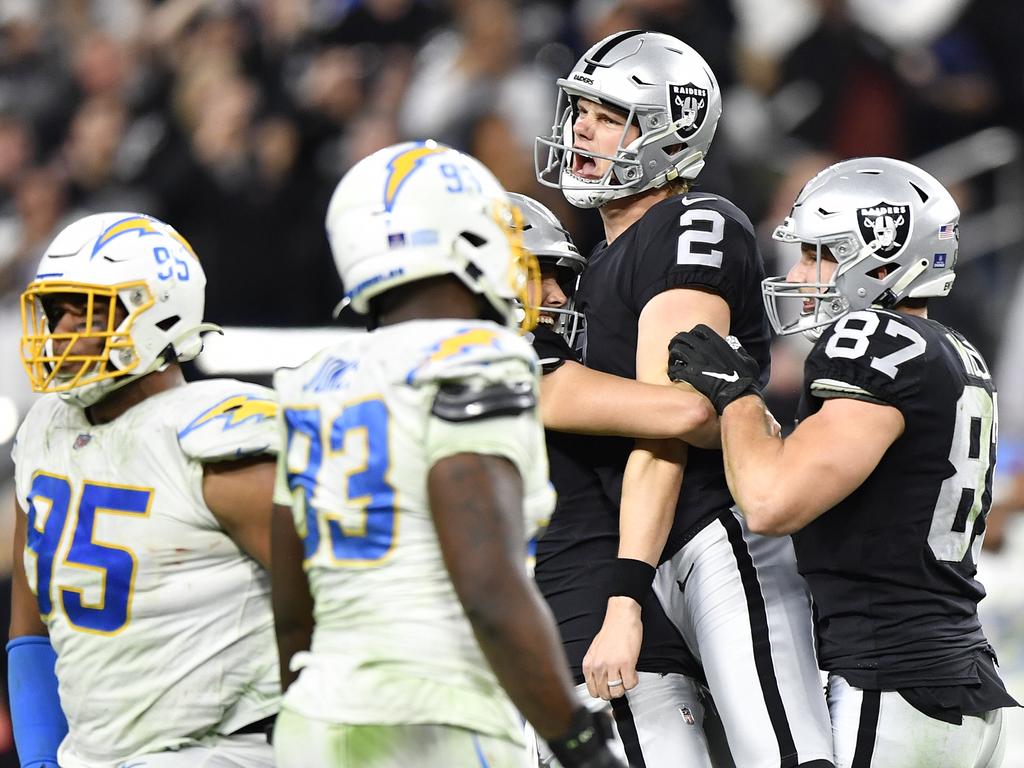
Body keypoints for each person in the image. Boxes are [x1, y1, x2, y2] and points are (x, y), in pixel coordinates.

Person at [269, 141, 623, 768]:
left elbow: (292, 607)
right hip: (436, 718)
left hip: (316, 718)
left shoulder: (312, 379)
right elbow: (488, 586)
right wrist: (577, 738)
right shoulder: (478, 359)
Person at [535, 31, 835, 768]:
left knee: (785, 755)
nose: (581, 128)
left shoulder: (689, 222)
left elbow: (672, 419)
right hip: (656, 551)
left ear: (668, 128)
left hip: (714, 532)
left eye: (607, 115)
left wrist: (625, 594)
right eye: (579, 110)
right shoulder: (598, 261)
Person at [666, 156, 1019, 767]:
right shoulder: (951, 350)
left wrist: (736, 397)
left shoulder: (870, 342)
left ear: (882, 261)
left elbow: (772, 501)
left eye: (819, 254)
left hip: (895, 688)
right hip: (961, 683)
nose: (800, 273)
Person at [8, 213, 280, 767]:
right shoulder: (45, 429)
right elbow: (29, 625)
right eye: (55, 312)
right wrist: (39, 754)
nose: (59, 333)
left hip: (219, 750)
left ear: (156, 311)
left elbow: (347, 599)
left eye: (82, 312)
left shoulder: (213, 435)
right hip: (92, 753)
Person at [512, 191, 730, 767]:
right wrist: (748, 406)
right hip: (589, 662)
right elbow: (689, 411)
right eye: (538, 275)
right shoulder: (510, 367)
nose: (559, 295)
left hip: (582, 665)